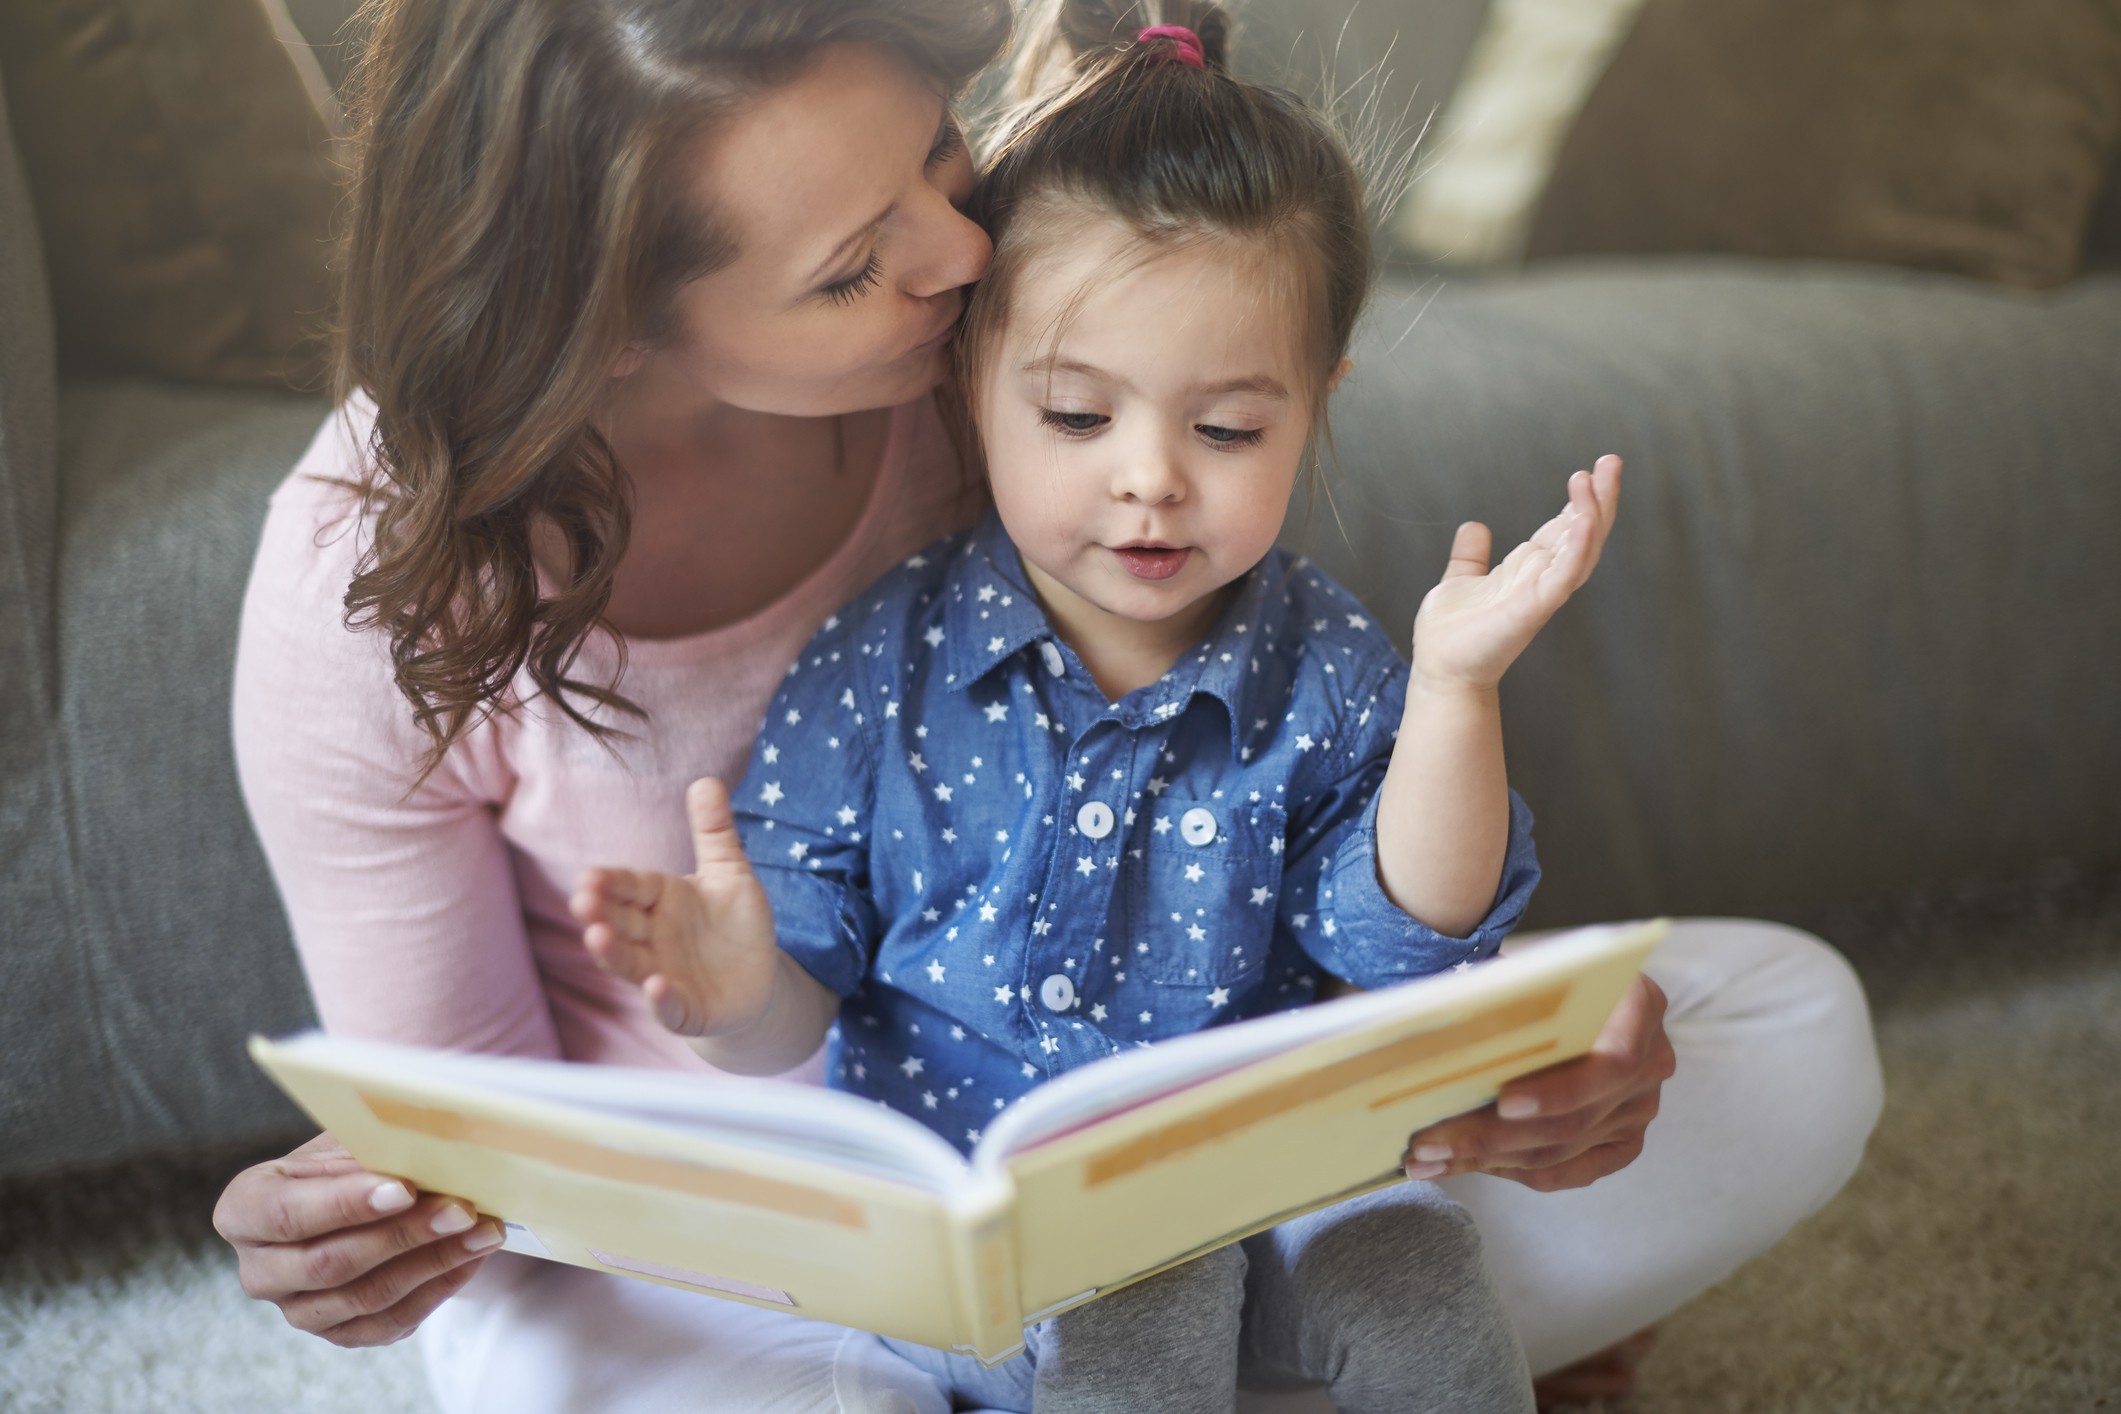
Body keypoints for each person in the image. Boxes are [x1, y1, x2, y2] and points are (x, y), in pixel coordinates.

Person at [209, 0, 1884, 1410]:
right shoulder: (373, 587)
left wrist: (1538, 1067)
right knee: (527, 1348)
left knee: (1784, 1022)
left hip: (1219, 1132)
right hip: (758, 1235)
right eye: (858, 263)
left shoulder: (1018, 342)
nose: (961, 253)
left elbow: (1340, 875)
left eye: (939, 155)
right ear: (607, 320)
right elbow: (473, 1151)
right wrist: (352, 1223)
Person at [570, 13, 1615, 1409]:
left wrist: (1453, 689)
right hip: (975, 1254)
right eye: (1075, 417)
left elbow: (1407, 944)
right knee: (1137, 1271)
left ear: (1312, 407)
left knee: (1416, 1268)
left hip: (1278, 1203)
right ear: (967, 387)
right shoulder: (881, 663)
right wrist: (731, 988)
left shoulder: (1327, 661)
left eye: (1228, 429)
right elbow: (786, 1010)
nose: (1151, 482)